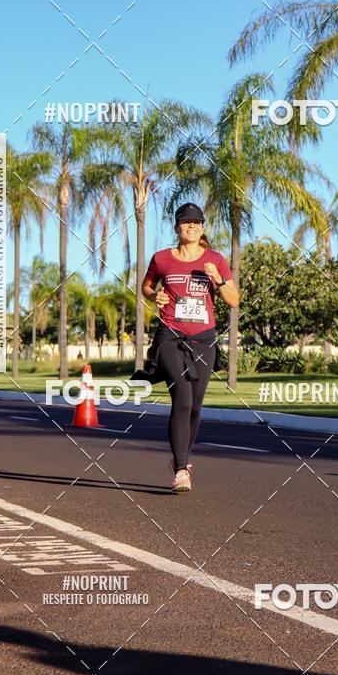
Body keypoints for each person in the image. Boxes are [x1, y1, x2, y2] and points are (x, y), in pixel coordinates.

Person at [135, 202, 239, 493]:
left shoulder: (216, 260)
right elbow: (146, 286)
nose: (191, 226)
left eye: (196, 222)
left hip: (204, 339)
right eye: (186, 222)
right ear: (177, 228)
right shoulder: (162, 259)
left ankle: (183, 459)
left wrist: (218, 280)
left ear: (202, 229)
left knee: (195, 405)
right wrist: (154, 295)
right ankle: (181, 469)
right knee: (181, 399)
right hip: (170, 335)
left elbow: (233, 300)